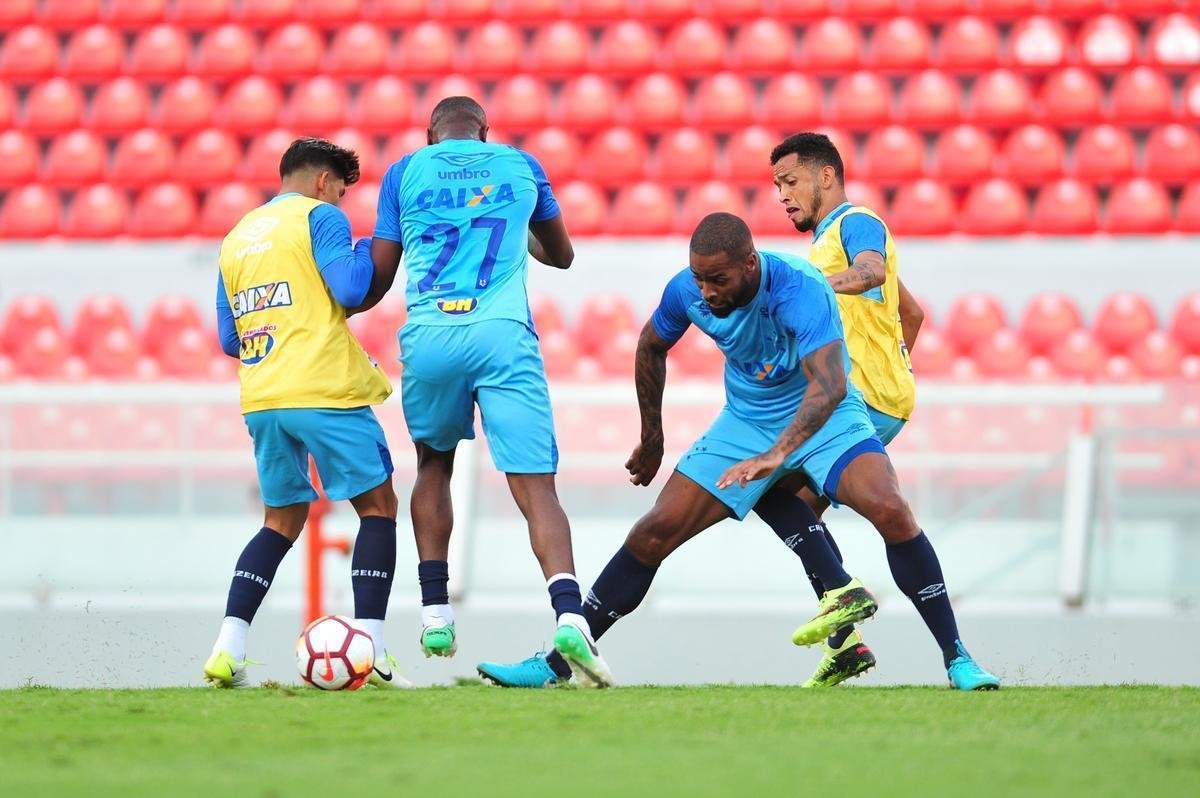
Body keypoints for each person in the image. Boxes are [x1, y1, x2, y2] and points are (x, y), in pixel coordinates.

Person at [477, 214, 1002, 690]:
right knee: (653, 531)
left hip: (826, 413)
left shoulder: (800, 287)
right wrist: (652, 438)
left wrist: (777, 456)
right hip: (746, 421)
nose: (706, 292)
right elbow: (650, 345)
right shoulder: (687, 292)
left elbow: (831, 386)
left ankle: (957, 658)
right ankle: (558, 663)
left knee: (890, 507)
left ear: (750, 264)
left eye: (718, 280)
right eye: (699, 278)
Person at [363, 96, 613, 686]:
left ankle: (434, 615)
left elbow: (377, 275)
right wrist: (515, 230)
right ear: (484, 132)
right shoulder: (521, 166)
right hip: (502, 333)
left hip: (430, 334)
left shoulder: (404, 172)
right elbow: (563, 256)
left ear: (432, 135)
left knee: (433, 464)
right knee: (535, 485)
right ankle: (570, 614)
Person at [203, 138, 406, 689]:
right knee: (379, 507)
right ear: (324, 182)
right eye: (341, 190)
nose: (340, 200)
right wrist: (369, 248)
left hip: (263, 397)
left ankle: (229, 646)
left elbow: (228, 337)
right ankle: (374, 652)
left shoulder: (237, 236)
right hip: (321, 387)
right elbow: (351, 287)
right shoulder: (321, 218)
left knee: (281, 520)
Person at [755, 131, 931, 687]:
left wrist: (807, 288)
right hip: (883, 394)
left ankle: (856, 627)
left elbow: (874, 271)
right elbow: (914, 312)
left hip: (864, 400)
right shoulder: (828, 239)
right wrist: (895, 363)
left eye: (790, 181)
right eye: (776, 186)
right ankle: (846, 639)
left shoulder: (855, 224)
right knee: (802, 514)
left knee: (769, 492)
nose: (782, 195)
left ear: (826, 176)